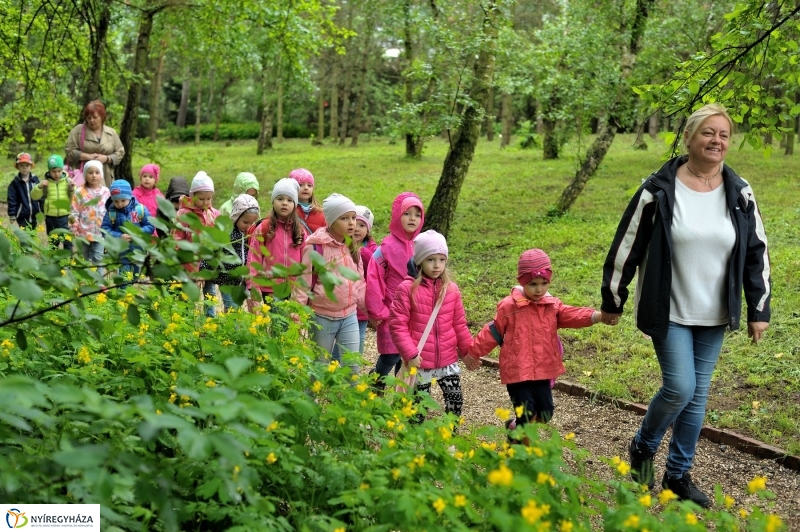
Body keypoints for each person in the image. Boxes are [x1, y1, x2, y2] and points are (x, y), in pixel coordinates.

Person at [599, 103, 771, 508]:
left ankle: (678, 476)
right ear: (690, 137)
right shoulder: (658, 188)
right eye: (708, 133)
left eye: (724, 135)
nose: (717, 141)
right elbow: (628, 244)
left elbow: (756, 253)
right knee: (681, 387)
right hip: (669, 307)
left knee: (697, 395)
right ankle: (643, 447)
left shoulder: (739, 191)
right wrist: (614, 298)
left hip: (715, 311)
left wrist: (758, 309)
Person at [467, 249, 604, 442]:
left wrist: (596, 316)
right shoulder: (509, 306)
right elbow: (493, 331)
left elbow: (572, 314)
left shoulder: (552, 305)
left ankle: (514, 428)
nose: (539, 290)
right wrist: (473, 353)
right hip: (517, 372)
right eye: (533, 284)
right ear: (522, 282)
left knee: (545, 413)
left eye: (544, 283)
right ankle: (521, 451)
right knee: (527, 413)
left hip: (542, 369)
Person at [389, 230, 472, 418]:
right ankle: (414, 442)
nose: (437, 265)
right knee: (419, 406)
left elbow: (459, 324)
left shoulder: (451, 289)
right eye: (431, 259)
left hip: (447, 358)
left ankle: (450, 437)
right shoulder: (407, 289)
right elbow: (398, 325)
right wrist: (410, 353)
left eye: (441, 260)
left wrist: (467, 352)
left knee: (455, 399)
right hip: (420, 360)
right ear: (419, 261)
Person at [293, 193, 365, 374]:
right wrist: (297, 316)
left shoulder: (352, 246)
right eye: (344, 218)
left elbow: (360, 281)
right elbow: (303, 283)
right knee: (319, 366)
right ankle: (310, 400)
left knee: (353, 366)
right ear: (332, 221)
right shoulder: (316, 247)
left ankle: (351, 402)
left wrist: (369, 307)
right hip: (322, 317)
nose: (351, 223)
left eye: (353, 218)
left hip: (349, 315)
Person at [366, 192, 424, 388]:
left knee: (407, 355)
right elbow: (373, 278)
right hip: (391, 310)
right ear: (397, 216)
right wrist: (378, 310)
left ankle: (404, 393)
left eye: (417, 214)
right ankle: (377, 380)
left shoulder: (421, 246)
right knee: (390, 353)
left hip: (415, 312)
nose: (412, 219)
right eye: (407, 213)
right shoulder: (386, 247)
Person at [247, 178, 306, 303]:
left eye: (289, 200)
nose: (284, 203)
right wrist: (254, 286)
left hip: (294, 289)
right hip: (270, 288)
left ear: (295, 204)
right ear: (273, 201)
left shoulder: (299, 230)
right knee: (278, 321)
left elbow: (306, 260)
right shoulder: (264, 227)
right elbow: (254, 258)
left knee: (292, 321)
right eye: (280, 199)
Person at [173, 171, 221, 316]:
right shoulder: (183, 215)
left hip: (209, 263)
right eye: (201, 199)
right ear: (192, 195)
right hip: (189, 264)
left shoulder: (214, 214)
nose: (206, 202)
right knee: (189, 294)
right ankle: (187, 321)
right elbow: (177, 239)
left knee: (210, 293)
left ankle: (209, 321)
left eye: (209, 198)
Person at [332, 205, 377, 358]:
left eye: (362, 225)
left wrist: (362, 252)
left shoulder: (371, 249)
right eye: (355, 223)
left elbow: (374, 268)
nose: (357, 228)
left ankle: (354, 370)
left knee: (359, 338)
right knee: (341, 339)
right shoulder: (341, 244)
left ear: (368, 230)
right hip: (344, 301)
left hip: (362, 303)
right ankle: (334, 365)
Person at [214, 194, 260, 312]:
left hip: (242, 279)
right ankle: (231, 328)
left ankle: (234, 328)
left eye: (252, 223)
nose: (249, 226)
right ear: (236, 217)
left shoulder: (251, 234)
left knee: (238, 307)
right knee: (231, 308)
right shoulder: (228, 233)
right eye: (245, 222)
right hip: (227, 279)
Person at [65, 100, 124, 187]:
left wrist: (107, 158)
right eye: (89, 118)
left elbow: (120, 152)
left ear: (102, 117)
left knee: (104, 199)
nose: (91, 120)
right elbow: (69, 152)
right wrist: (88, 156)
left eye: (95, 117)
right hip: (84, 177)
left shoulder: (111, 133)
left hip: (106, 176)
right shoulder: (78, 131)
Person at [101, 179, 154, 276]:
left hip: (138, 250)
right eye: (116, 201)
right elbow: (105, 229)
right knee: (124, 275)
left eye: (123, 200)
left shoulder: (140, 210)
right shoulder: (111, 212)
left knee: (135, 275)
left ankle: (131, 288)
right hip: (121, 251)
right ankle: (123, 290)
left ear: (129, 197)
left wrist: (137, 232)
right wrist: (119, 236)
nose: (119, 204)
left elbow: (150, 226)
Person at [30, 155, 75, 251]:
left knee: (67, 240)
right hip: (51, 217)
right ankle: (54, 261)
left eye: (59, 171)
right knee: (54, 241)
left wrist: (71, 189)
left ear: (62, 170)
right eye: (53, 171)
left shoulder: (67, 182)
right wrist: (40, 186)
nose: (56, 174)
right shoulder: (46, 183)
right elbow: (34, 196)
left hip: (64, 216)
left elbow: (74, 197)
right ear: (49, 171)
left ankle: (69, 261)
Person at [70, 160, 110, 267]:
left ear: (101, 174)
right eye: (90, 172)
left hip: (100, 233)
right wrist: (74, 227)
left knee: (98, 259)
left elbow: (110, 211)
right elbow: (74, 211)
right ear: (85, 175)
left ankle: (99, 282)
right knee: (85, 259)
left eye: (97, 172)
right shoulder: (79, 192)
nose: (94, 175)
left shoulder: (106, 192)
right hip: (83, 232)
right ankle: (86, 281)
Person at [7, 152, 43, 230]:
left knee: (33, 233)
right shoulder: (15, 183)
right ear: (17, 166)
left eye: (27, 165)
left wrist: (42, 210)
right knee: (24, 235)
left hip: (34, 213)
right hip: (22, 214)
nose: (24, 168)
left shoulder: (35, 180)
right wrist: (12, 214)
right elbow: (12, 199)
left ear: (31, 166)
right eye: (21, 165)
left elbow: (40, 195)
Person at [289, 168, 325, 234]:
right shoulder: (287, 211)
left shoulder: (321, 213)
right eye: (300, 185)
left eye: (309, 185)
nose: (306, 188)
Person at [132, 163, 164, 234]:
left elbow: (163, 211)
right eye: (144, 176)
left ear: (155, 180)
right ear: (140, 178)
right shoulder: (135, 194)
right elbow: (132, 210)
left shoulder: (158, 194)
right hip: (141, 226)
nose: (147, 179)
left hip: (156, 227)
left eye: (150, 177)